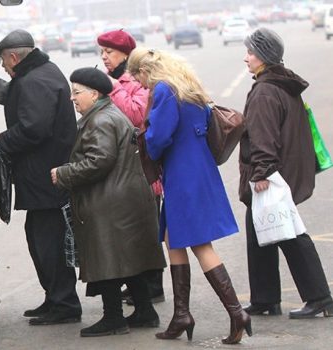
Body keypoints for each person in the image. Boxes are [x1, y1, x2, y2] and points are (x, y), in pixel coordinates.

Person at [127, 48, 252, 344]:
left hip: (182, 174)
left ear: (145, 71)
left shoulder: (164, 90)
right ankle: (181, 314)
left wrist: (147, 144)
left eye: (138, 78)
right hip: (197, 168)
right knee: (173, 237)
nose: (141, 85)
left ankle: (236, 312)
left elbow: (158, 137)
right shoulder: (186, 86)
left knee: (199, 243)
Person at [0, 29, 82, 325]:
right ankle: (55, 298)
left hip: (46, 177)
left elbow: (33, 128)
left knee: (48, 241)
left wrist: (2, 141)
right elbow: (12, 93)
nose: (2, 65)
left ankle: (64, 303)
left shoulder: (36, 80)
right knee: (39, 238)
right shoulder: (39, 73)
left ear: (14, 57)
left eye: (2, 60)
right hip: (43, 177)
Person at [50, 67, 166, 337]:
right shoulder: (108, 114)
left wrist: (63, 173)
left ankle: (113, 317)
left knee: (108, 258)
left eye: (76, 92)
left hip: (110, 203)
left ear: (94, 94)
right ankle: (145, 311)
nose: (72, 98)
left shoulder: (101, 120)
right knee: (128, 257)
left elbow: (99, 161)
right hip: (124, 198)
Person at [240, 27, 333, 318]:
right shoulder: (280, 84)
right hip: (283, 170)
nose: (246, 58)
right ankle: (265, 299)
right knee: (260, 232)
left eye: (251, 52)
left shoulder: (265, 91)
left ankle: (320, 297)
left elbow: (264, 136)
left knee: (289, 233)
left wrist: (262, 173)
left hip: (272, 174)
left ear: (265, 56)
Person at [97, 28, 165, 306]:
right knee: (130, 230)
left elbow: (137, 116)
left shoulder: (136, 80)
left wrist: (113, 88)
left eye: (109, 52)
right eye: (102, 52)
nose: (104, 57)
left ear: (126, 54)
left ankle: (153, 286)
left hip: (143, 169)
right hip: (122, 168)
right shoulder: (112, 80)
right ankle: (138, 283)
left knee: (147, 229)